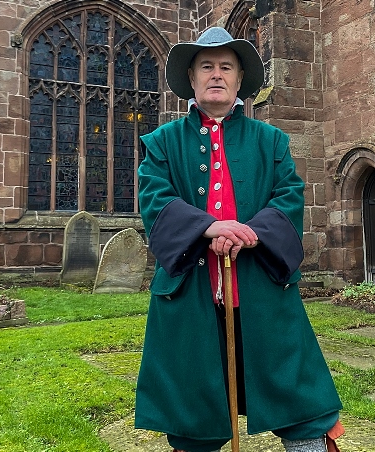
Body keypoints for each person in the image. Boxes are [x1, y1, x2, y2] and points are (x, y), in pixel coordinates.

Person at [134, 27, 344, 452]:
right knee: (194, 407)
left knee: (299, 397)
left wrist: (249, 233)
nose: (216, 74)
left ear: (238, 80)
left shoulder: (272, 141)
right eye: (206, 67)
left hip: (260, 286)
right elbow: (153, 197)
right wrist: (208, 227)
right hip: (190, 291)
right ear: (191, 80)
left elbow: (288, 196)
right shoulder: (160, 143)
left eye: (225, 67)